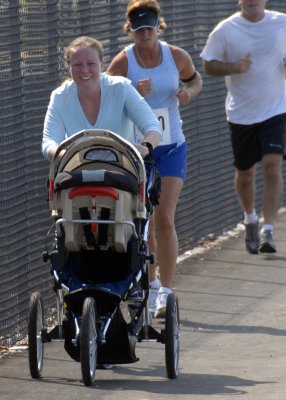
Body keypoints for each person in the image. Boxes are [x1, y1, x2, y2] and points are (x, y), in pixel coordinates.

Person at [107, 0, 202, 318]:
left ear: (158, 26)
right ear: (130, 31)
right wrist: (132, 91)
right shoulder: (124, 61)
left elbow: (194, 79)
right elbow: (107, 100)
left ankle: (166, 291)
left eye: (149, 27)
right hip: (139, 150)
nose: (144, 34)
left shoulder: (176, 56)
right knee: (144, 222)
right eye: (138, 30)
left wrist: (189, 93)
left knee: (164, 218)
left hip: (172, 145)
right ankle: (149, 283)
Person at [200, 0, 286, 254]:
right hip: (241, 114)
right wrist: (234, 67)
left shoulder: (281, 22)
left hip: (276, 109)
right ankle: (250, 217)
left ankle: (268, 230)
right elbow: (208, 63)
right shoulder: (226, 29)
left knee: (272, 167)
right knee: (245, 175)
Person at [42, 36, 162, 161]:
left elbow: (153, 125)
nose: (84, 70)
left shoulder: (121, 87)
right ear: (69, 66)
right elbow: (49, 142)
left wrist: (145, 146)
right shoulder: (59, 97)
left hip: (123, 170)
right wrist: (69, 157)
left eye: (91, 64)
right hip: (77, 171)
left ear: (101, 64)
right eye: (77, 64)